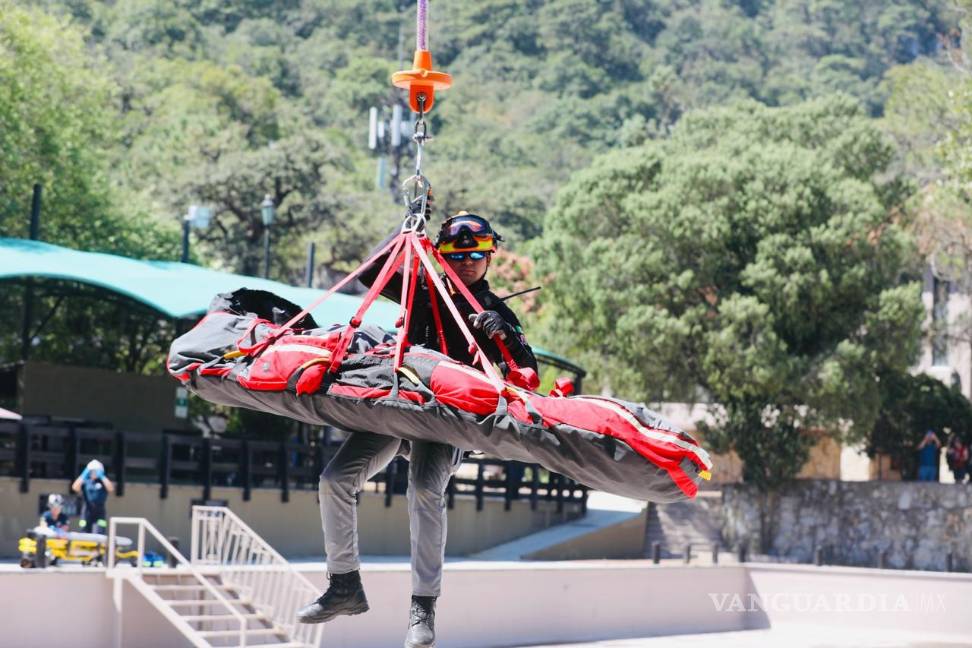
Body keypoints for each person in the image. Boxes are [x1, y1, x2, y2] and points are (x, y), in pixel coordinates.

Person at [297, 207, 537, 648]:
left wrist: (501, 333)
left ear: (488, 258)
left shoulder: (494, 310)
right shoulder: (422, 290)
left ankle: (423, 606)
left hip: (446, 420)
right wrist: (408, 224)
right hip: (399, 405)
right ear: (443, 255)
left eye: (474, 255)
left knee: (425, 487)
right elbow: (371, 270)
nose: (465, 263)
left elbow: (527, 369)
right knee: (334, 478)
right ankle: (344, 583)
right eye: (457, 255)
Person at [71, 459, 115, 534]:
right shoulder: (85, 481)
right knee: (84, 533)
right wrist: (84, 474)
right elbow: (75, 487)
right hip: (86, 511)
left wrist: (102, 476)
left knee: (99, 533)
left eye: (96, 471)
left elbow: (111, 488)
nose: (94, 473)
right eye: (92, 471)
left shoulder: (103, 482)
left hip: (99, 511)